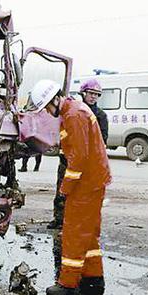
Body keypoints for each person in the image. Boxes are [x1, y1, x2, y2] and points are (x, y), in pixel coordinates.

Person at [28, 79, 111, 295]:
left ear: (56, 99)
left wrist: (65, 188)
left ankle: (68, 283)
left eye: (46, 106)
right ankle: (93, 279)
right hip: (94, 180)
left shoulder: (73, 115)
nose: (46, 111)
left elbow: (79, 159)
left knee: (74, 233)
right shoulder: (74, 110)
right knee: (89, 233)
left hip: (86, 184)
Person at [47, 78, 109, 229]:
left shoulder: (98, 116)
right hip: (66, 159)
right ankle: (59, 219)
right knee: (61, 191)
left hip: (83, 162)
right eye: (91, 93)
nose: (93, 96)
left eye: (97, 94)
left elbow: (101, 140)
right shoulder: (69, 109)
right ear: (83, 93)